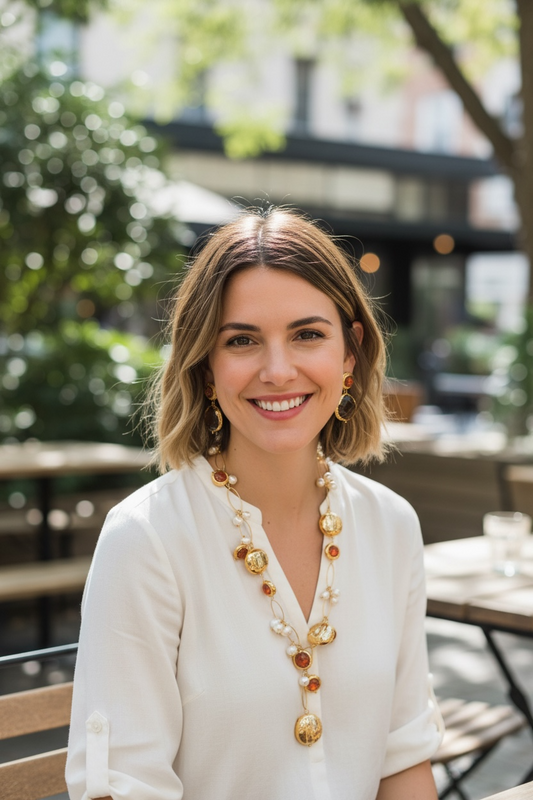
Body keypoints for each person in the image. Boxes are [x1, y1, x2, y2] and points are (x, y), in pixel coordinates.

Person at [66, 207, 443, 800]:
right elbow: (124, 787)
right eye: (241, 340)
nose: (277, 369)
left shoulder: (391, 526)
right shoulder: (147, 540)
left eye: (307, 334)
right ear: (206, 366)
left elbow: (403, 759)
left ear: (349, 353)